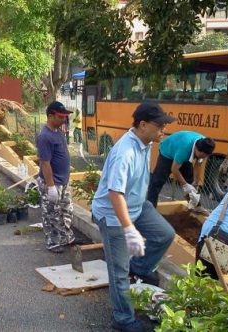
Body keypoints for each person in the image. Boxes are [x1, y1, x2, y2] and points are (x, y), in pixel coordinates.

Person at [91, 101, 175, 332]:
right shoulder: (124, 152)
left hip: (138, 206)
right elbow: (115, 193)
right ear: (143, 124)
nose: (163, 130)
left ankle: (139, 267)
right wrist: (129, 229)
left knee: (165, 234)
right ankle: (123, 319)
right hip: (113, 214)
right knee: (118, 271)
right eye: (159, 126)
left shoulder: (145, 142)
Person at [36, 101, 75, 253]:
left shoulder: (59, 133)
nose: (64, 120)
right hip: (52, 183)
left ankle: (66, 237)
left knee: (66, 210)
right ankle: (53, 242)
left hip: (63, 182)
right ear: (50, 116)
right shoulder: (45, 137)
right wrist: (51, 186)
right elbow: (45, 163)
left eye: (65, 117)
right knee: (51, 213)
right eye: (61, 116)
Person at [147, 131, 216, 208]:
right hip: (167, 152)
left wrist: (195, 183)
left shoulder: (205, 145)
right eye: (201, 155)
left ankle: (195, 206)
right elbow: (174, 169)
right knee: (157, 182)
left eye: (204, 157)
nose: (202, 158)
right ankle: (150, 207)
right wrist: (185, 185)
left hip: (183, 151)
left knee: (190, 180)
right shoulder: (184, 149)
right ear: (196, 149)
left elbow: (198, 164)